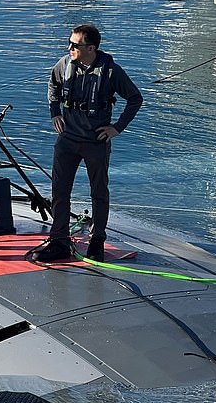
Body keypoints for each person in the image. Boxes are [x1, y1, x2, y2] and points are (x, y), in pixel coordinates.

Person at [32, 24, 143, 263]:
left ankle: (97, 240)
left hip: (96, 141)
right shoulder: (65, 64)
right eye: (69, 43)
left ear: (91, 48)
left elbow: (135, 99)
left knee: (99, 191)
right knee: (60, 191)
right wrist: (54, 112)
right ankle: (59, 239)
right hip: (68, 140)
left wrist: (117, 128)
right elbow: (53, 85)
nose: (69, 48)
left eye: (75, 45)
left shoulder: (111, 72)